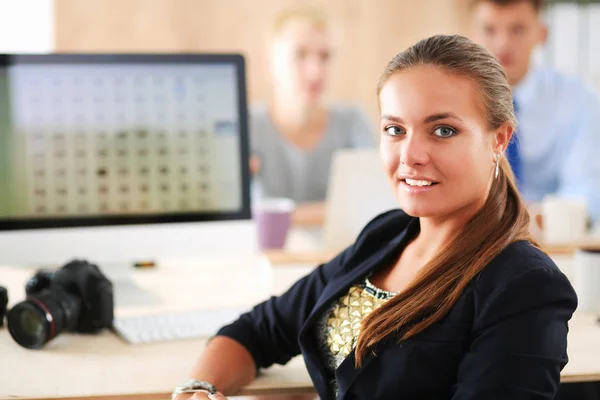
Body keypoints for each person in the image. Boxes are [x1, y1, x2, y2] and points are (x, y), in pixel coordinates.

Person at [172, 35, 577, 400]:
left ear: (499, 139)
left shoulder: (525, 285)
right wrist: (200, 390)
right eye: (395, 129)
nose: (410, 155)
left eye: (443, 131)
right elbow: (258, 330)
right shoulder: (387, 235)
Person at [469, 0, 600, 228]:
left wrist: (539, 217)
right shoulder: (452, 106)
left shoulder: (579, 100)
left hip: (550, 240)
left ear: (542, 34)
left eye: (517, 30)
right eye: (490, 30)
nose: (503, 44)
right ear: (472, 35)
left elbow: (588, 188)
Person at [250, 8, 375, 226]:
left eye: (325, 56)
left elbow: (374, 207)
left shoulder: (353, 122)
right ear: (269, 64)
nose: (315, 71)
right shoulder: (247, 126)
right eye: (300, 55)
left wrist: (280, 217)